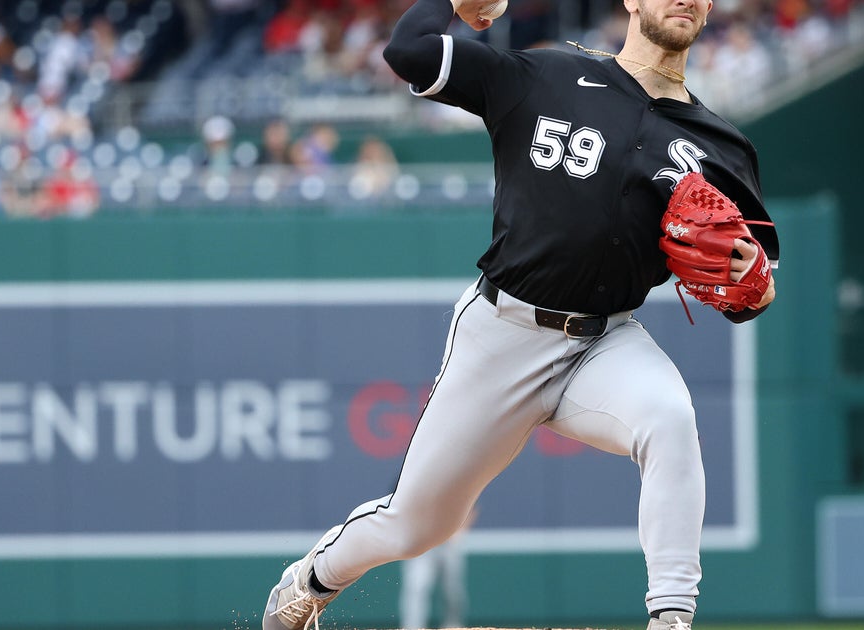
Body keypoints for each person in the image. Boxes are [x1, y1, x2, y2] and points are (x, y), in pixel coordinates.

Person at [262, 1, 778, 630]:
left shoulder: (721, 145)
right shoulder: (548, 76)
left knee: (669, 418)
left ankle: (672, 619)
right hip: (502, 333)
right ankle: (311, 581)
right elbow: (409, 52)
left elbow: (753, 283)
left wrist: (755, 285)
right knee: (420, 524)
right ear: (631, 1)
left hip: (605, 343)